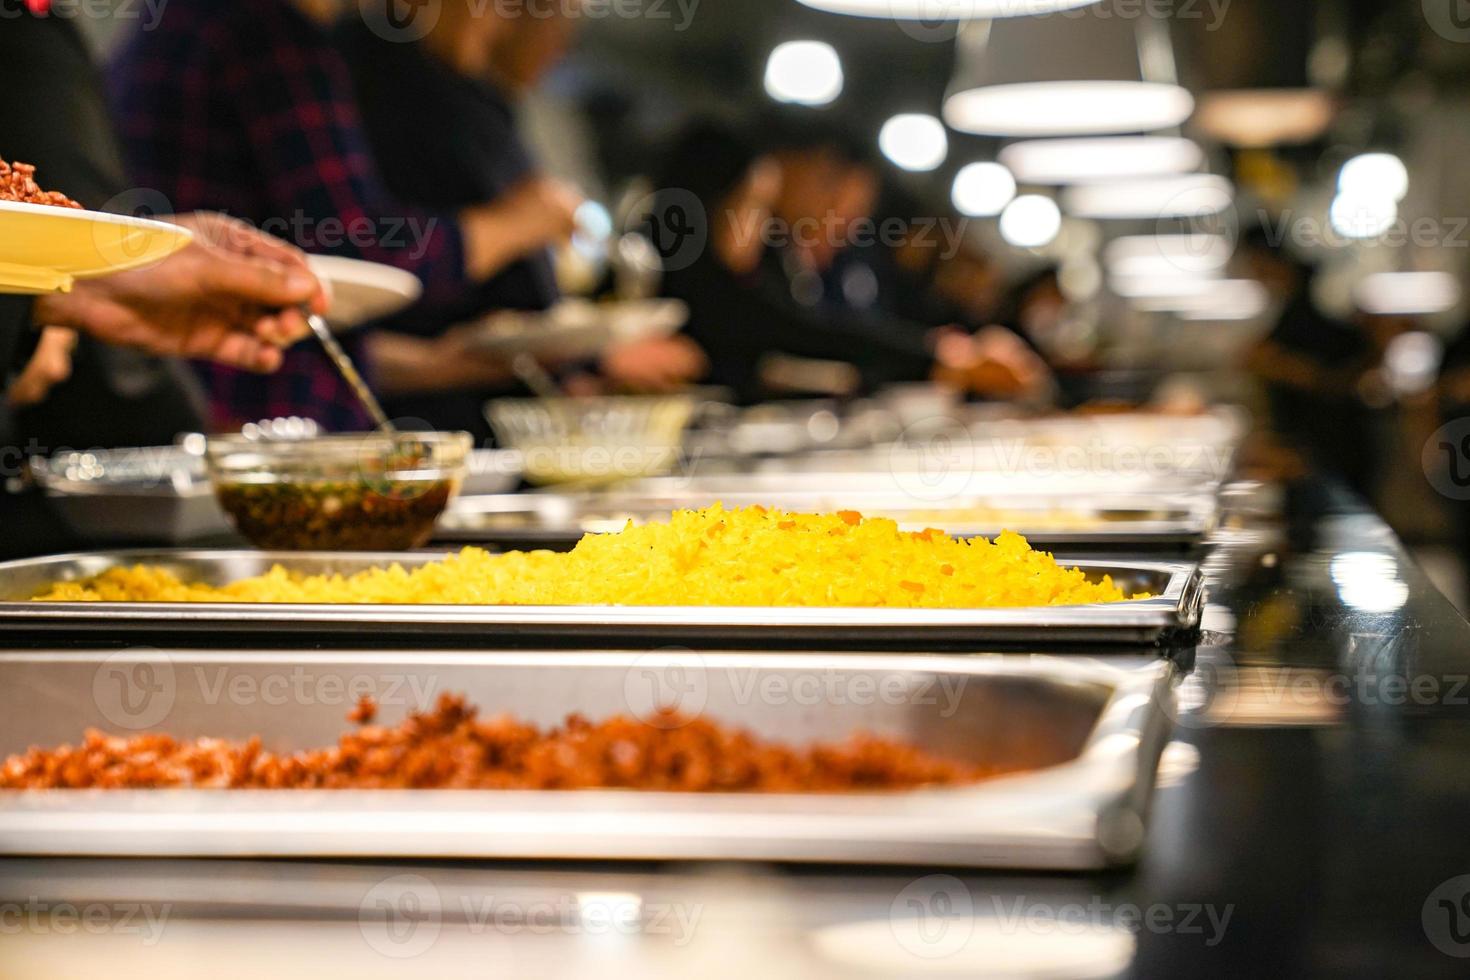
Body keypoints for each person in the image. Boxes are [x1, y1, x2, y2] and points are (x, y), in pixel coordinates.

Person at [109, 0, 580, 432]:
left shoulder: (170, 24)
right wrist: (521, 222)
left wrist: (439, 363)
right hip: (268, 425)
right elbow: (361, 249)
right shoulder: (270, 34)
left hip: (180, 404)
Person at [335, 1, 705, 433]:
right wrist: (521, 224)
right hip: (410, 423)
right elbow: (363, 256)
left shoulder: (477, 99)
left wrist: (580, 365)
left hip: (502, 416)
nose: (559, 46)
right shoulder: (369, 72)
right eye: (556, 21)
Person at [651, 118, 1044, 403]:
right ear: (707, 206)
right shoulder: (666, 276)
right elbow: (799, 330)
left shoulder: (748, 277)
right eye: (752, 206)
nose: (759, 226)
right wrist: (937, 355)